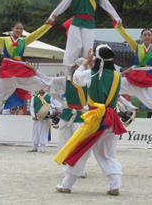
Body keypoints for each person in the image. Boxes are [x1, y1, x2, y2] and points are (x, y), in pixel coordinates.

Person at [54, 45, 126, 196]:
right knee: (108, 153)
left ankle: (67, 184)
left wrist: (86, 62)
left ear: (96, 58)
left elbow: (76, 78)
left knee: (80, 149)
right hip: (110, 119)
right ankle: (115, 185)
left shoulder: (91, 74)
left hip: (94, 119)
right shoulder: (117, 76)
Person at [45, 0, 123, 77]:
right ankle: (68, 74)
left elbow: (108, 7)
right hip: (76, 22)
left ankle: (84, 74)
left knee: (87, 49)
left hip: (89, 24)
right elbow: (63, 5)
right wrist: (51, 18)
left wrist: (117, 19)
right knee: (74, 46)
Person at [57, 58, 89, 150]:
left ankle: (76, 161)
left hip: (81, 114)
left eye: (84, 68)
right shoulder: (66, 81)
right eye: (79, 67)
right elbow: (48, 83)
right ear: (74, 68)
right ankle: (64, 159)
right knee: (64, 140)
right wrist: (60, 99)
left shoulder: (90, 82)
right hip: (67, 113)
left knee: (80, 142)